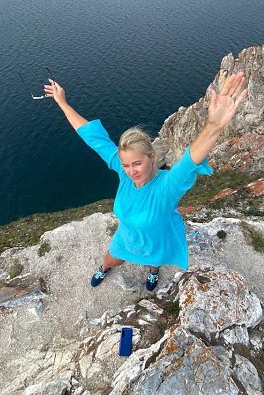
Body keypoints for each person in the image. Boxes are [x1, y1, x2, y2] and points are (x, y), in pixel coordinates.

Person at [44, 72, 247, 290]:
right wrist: (62, 102)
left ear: (151, 157)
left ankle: (153, 272)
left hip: (155, 242)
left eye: (137, 164)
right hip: (126, 238)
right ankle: (104, 268)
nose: (131, 171)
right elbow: (94, 138)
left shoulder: (167, 187)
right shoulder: (124, 173)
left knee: (153, 261)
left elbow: (190, 161)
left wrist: (213, 126)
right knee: (111, 259)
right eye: (126, 165)